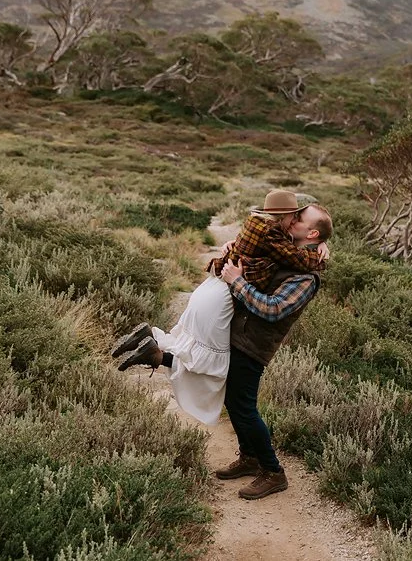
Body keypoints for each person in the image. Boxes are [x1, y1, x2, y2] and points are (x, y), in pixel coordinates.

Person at [114, 202, 332, 499]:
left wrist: (237, 281)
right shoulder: (291, 254)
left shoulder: (306, 278)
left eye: (298, 221)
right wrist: (235, 248)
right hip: (236, 334)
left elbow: (273, 310)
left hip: (253, 346)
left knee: (243, 407)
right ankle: (250, 457)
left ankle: (273, 471)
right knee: (228, 395)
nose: (290, 223)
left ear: (313, 232)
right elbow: (260, 252)